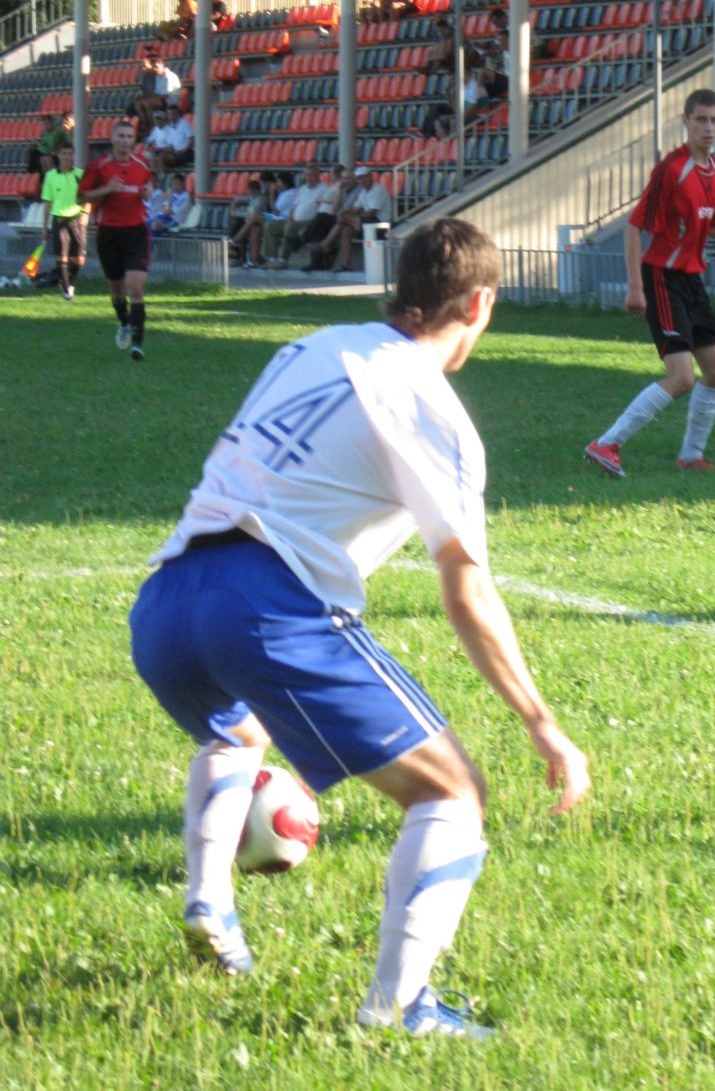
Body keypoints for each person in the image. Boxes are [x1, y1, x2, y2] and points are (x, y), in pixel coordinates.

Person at [129, 217, 591, 1034]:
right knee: (451, 791)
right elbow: (466, 589)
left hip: (166, 599)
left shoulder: (313, 346)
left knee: (238, 731)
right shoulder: (433, 410)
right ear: (480, 304)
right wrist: (541, 721)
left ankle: (210, 904)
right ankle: (400, 1008)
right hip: (262, 605)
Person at [584, 89, 715, 478]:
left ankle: (691, 456)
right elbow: (633, 226)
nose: (709, 128)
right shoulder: (672, 169)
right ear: (686, 121)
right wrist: (635, 286)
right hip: (661, 278)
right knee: (681, 377)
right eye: (701, 120)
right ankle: (607, 443)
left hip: (691, 280)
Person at [79, 120, 153, 361]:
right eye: (121, 136)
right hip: (109, 233)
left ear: (134, 140)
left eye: (129, 136)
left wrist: (148, 190)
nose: (125, 141)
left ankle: (138, 345)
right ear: (112, 139)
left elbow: (148, 183)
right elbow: (80, 197)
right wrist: (106, 189)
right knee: (117, 291)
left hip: (136, 231)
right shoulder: (98, 167)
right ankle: (123, 321)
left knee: (136, 288)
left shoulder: (141, 164)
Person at [308, 165, 390, 274]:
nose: (362, 180)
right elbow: (355, 208)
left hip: (379, 224)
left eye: (364, 177)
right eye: (359, 178)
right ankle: (345, 264)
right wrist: (344, 211)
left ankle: (325, 244)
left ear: (370, 176)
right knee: (345, 231)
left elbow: (371, 213)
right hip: (366, 223)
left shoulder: (378, 190)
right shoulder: (363, 192)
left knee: (342, 218)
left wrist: (348, 216)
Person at [40, 142, 88, 300]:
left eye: (70, 154)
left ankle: (66, 280)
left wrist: (85, 215)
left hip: (76, 220)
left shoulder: (80, 175)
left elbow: (88, 198)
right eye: (64, 154)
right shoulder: (51, 176)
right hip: (59, 220)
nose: (67, 157)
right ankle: (67, 290)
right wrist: (44, 226)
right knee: (62, 256)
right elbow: (48, 203)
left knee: (79, 259)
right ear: (58, 155)